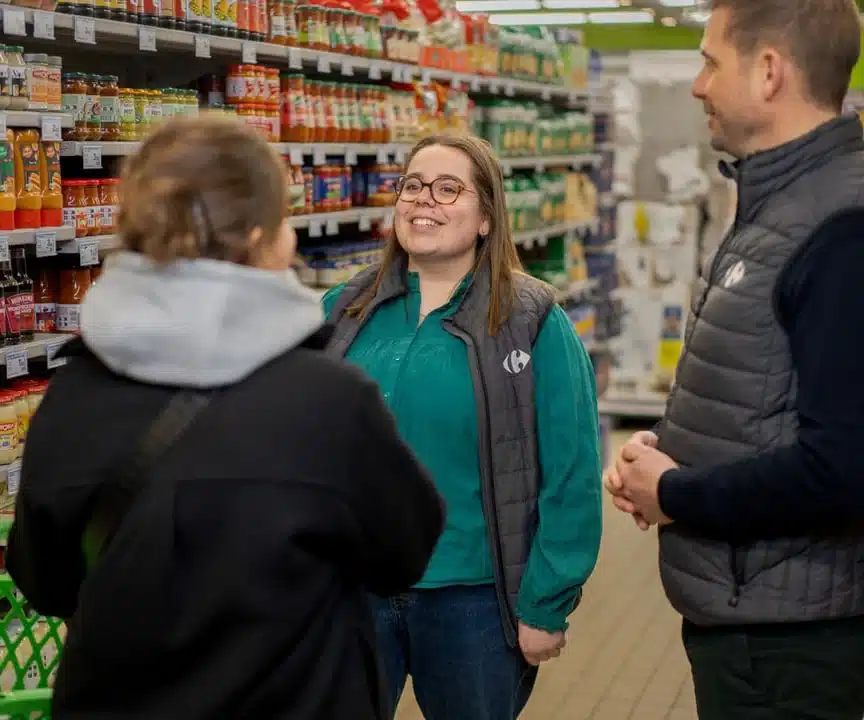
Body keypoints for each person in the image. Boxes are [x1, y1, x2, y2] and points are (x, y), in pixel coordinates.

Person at [6, 115, 445, 720]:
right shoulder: (330, 402)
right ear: (263, 237)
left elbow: (44, 580)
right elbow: (404, 554)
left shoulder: (74, 394)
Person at [605, 1, 864, 718]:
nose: (698, 84)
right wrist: (666, 452)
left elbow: (845, 465)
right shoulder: (780, 204)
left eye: (711, 61)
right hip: (756, 623)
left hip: (794, 645)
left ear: (770, 71)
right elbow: (764, 394)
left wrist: (678, 493)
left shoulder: (839, 227)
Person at [323, 133, 602, 720]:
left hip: (471, 599)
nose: (425, 200)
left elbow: (571, 473)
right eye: (413, 186)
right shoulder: (347, 310)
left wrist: (545, 605)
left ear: (485, 218)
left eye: (450, 189)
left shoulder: (533, 322)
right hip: (354, 591)